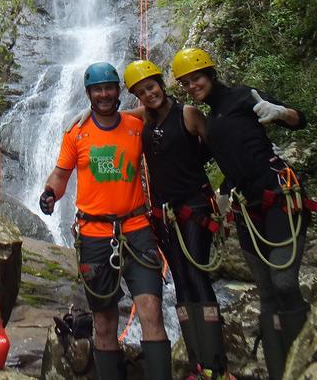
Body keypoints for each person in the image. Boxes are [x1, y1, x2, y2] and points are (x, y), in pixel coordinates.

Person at [171, 47, 309, 380]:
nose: (193, 87)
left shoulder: (244, 96)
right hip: (247, 208)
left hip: (279, 196)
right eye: (186, 83)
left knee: (284, 282)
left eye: (197, 78)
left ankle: (304, 362)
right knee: (265, 289)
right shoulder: (208, 121)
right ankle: (280, 371)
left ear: (210, 74)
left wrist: (279, 113)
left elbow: (298, 119)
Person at [39, 61, 172, 380]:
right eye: (97, 89)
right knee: (104, 321)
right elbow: (61, 174)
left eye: (109, 88)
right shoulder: (77, 131)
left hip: (138, 231)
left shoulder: (135, 124)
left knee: (152, 312)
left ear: (118, 92)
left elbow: (162, 110)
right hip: (94, 236)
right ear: (88, 93)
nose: (103, 95)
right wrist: (49, 194)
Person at [124, 59, 230, 380]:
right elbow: (111, 117)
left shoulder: (187, 114)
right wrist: (86, 114)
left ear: (161, 83)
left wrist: (226, 189)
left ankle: (216, 364)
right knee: (181, 282)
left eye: (151, 86)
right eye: (141, 92)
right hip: (163, 214)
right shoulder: (144, 118)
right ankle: (198, 363)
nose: (149, 94)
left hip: (193, 208)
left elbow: (222, 148)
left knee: (197, 276)